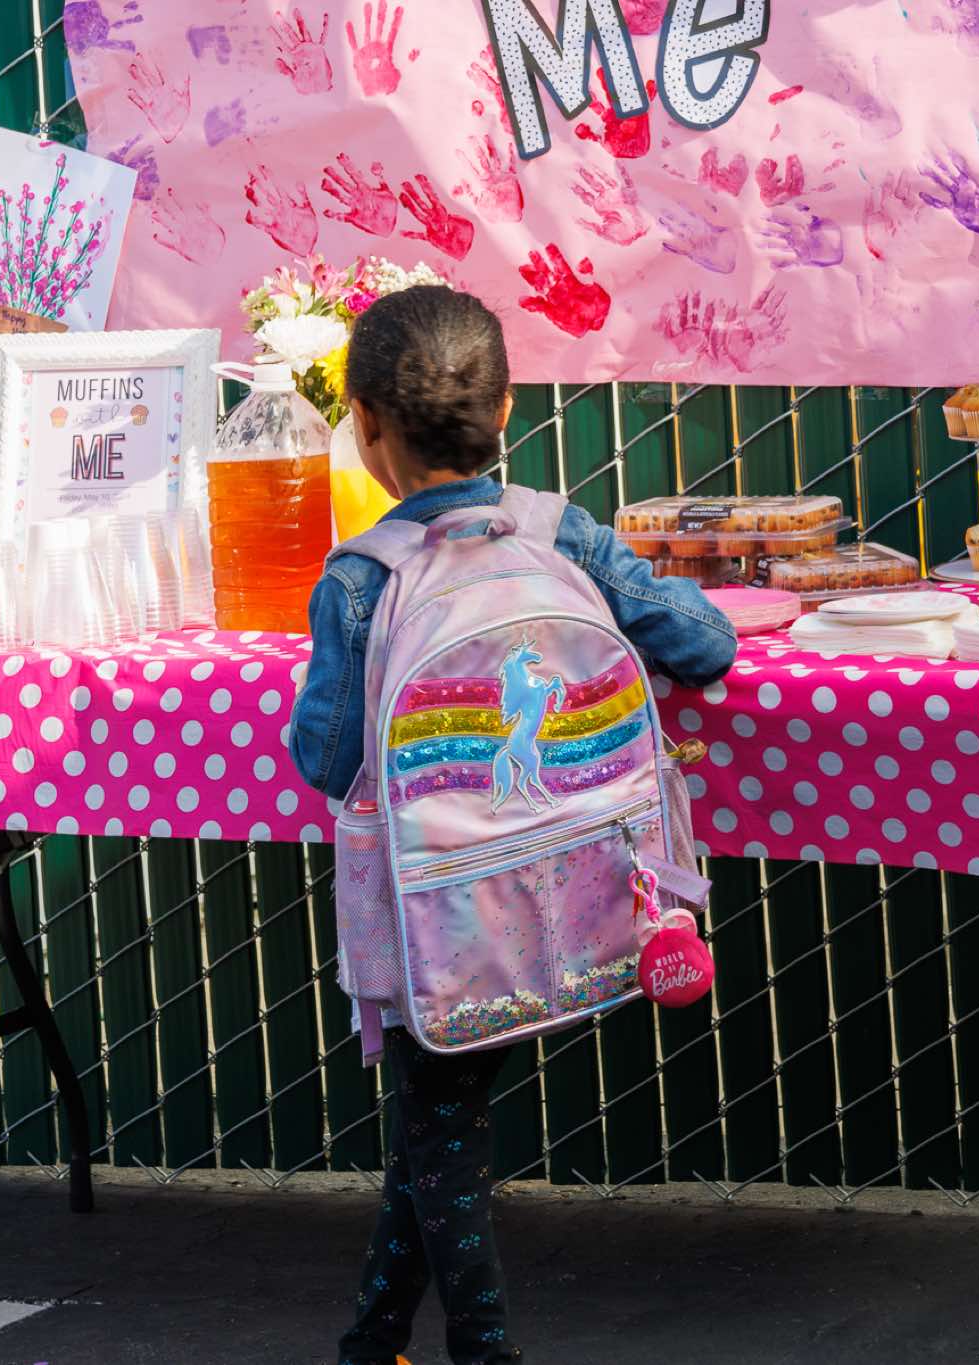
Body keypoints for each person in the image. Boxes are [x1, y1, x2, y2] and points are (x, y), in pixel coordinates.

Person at [288, 285, 737, 1365]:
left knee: (439, 1121)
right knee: (435, 1118)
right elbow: (705, 645)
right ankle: (371, 1342)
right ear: (507, 408)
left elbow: (328, 759)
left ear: (363, 425)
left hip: (442, 913)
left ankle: (482, 1351)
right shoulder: (559, 531)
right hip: (588, 893)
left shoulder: (362, 578)